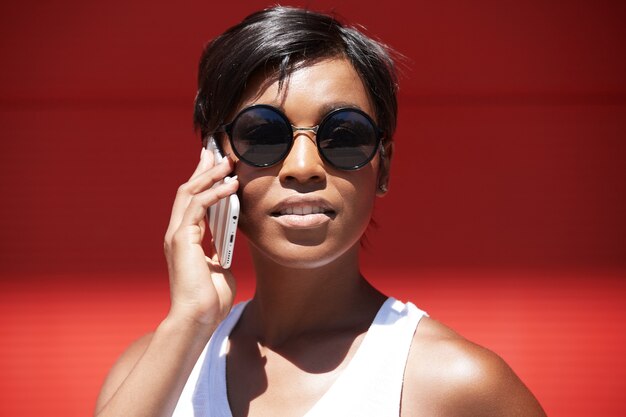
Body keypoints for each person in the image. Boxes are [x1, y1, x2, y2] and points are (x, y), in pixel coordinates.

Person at [94, 6, 546, 417]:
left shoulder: (456, 383)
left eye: (344, 135)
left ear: (382, 166)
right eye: (264, 134)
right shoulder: (150, 371)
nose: (304, 167)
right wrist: (190, 320)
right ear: (213, 161)